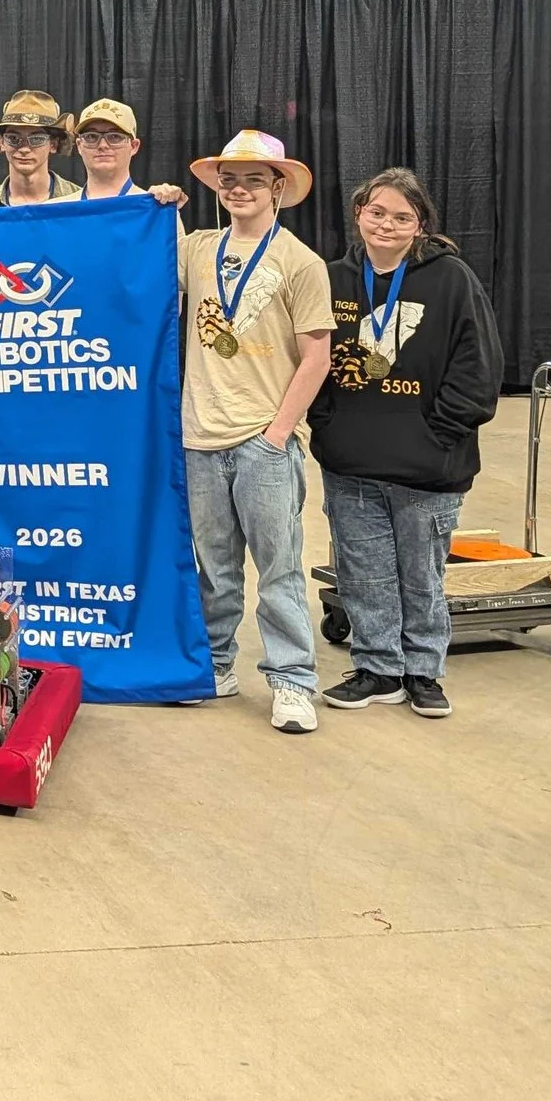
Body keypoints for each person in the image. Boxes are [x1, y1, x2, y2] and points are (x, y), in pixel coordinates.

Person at [309, 169, 501, 720]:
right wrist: (328, 424)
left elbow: (478, 365)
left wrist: (440, 432)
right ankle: (378, 669)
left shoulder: (451, 279)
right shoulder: (332, 278)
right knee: (363, 573)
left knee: (422, 577)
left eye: (401, 217)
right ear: (358, 215)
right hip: (351, 464)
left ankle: (423, 671)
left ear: (420, 225)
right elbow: (311, 358)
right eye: (377, 212)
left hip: (427, 468)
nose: (386, 225)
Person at [181, 129, 336, 734]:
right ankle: (216, 664)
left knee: (279, 567)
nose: (239, 189)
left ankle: (293, 679)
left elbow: (317, 356)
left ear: (278, 188)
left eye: (253, 179)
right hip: (199, 435)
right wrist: (160, 199)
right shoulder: (195, 248)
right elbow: (116, 236)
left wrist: (276, 435)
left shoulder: (300, 262)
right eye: (229, 179)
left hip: (261, 441)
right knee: (213, 566)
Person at [0, 90, 83, 207]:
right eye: (13, 138)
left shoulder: (80, 202)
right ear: (2, 142)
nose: (24, 149)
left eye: (37, 139)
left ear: (53, 144)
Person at [71, 99, 186, 204]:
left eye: (115, 137)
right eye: (91, 136)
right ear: (79, 145)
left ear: (134, 146)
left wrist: (163, 209)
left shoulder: (156, 209)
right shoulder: (57, 211)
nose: (103, 145)